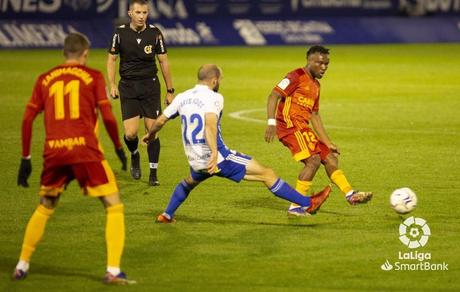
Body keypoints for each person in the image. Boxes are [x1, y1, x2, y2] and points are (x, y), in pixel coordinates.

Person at [14, 33, 134, 285]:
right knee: (113, 205)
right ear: (85, 54)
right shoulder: (93, 76)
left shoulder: (44, 79)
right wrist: (119, 149)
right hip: (85, 151)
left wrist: (26, 158)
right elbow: (109, 117)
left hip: (54, 152)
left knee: (45, 206)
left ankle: (22, 264)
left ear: (63, 53)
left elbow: (27, 119)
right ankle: (113, 270)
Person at [142, 64, 331, 223]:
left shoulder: (182, 97)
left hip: (194, 158)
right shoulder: (214, 97)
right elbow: (209, 126)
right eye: (220, 80)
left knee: (189, 182)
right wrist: (215, 154)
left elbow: (159, 121)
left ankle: (167, 214)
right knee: (267, 173)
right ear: (214, 81)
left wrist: (150, 136)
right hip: (217, 157)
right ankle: (307, 203)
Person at [264, 45, 373, 217]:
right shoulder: (296, 75)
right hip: (289, 126)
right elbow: (274, 95)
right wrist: (271, 123)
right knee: (313, 160)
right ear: (309, 60)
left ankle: (350, 194)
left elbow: (314, 114)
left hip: (303, 128)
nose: (324, 67)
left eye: (327, 64)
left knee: (330, 157)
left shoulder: (316, 85)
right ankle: (296, 206)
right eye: (320, 63)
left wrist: (328, 142)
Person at [107, 0, 174, 186]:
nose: (141, 16)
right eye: (138, 12)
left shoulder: (154, 33)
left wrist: (170, 90)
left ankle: (153, 173)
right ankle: (135, 154)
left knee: (152, 131)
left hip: (150, 87)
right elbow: (112, 59)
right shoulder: (120, 33)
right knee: (130, 134)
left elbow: (164, 62)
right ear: (130, 13)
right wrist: (112, 84)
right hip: (128, 87)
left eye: (144, 12)